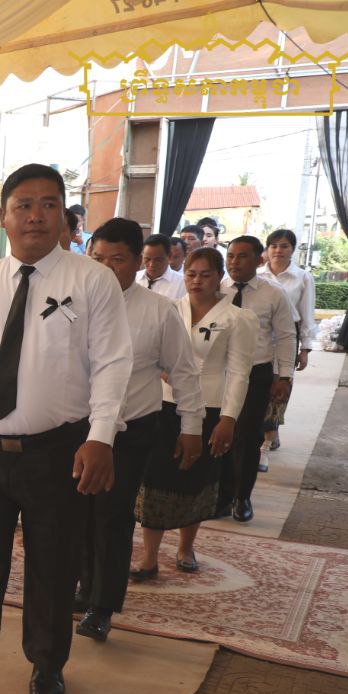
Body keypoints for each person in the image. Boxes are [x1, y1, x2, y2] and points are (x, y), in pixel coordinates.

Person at [0, 163, 132, 694]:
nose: (35, 216)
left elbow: (113, 363)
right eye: (23, 205)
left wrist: (100, 437)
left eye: (48, 204)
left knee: (52, 565)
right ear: (4, 217)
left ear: (63, 215)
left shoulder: (91, 281)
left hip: (58, 451)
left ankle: (46, 663)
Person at [76, 219, 203, 641]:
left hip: (131, 429)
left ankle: (102, 605)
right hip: (76, 428)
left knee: (112, 515)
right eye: (97, 258)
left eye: (117, 259)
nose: (105, 268)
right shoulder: (71, 303)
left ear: (138, 262)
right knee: (77, 512)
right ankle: (84, 585)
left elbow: (184, 371)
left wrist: (191, 426)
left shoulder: (158, 311)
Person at [133, 248, 257, 576]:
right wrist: (162, 367)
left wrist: (229, 418)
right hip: (162, 404)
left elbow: (239, 373)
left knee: (196, 477)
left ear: (219, 278)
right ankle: (149, 556)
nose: (196, 281)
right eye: (191, 274)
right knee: (155, 478)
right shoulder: (170, 309)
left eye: (205, 275)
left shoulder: (237, 318)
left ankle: (186, 547)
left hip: (210, 406)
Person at [216, 236, 297, 522]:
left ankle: (242, 497)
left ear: (258, 259)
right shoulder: (216, 288)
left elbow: (286, 336)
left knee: (247, 437)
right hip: (220, 373)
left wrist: (284, 376)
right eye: (230, 256)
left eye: (242, 256)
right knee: (219, 434)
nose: (234, 262)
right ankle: (221, 497)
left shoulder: (273, 293)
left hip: (256, 373)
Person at [257, 228, 315, 465]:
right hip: (259, 339)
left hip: (287, 339)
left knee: (280, 386)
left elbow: (307, 314)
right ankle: (264, 432)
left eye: (284, 246)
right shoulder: (258, 275)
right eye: (274, 246)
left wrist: (305, 349)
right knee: (259, 385)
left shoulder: (302, 277)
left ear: (292, 249)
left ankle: (269, 438)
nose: (278, 251)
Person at [139, 234, 186, 300]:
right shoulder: (134, 278)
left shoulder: (183, 283)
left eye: (157, 260)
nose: (151, 264)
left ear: (169, 256)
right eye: (147, 259)